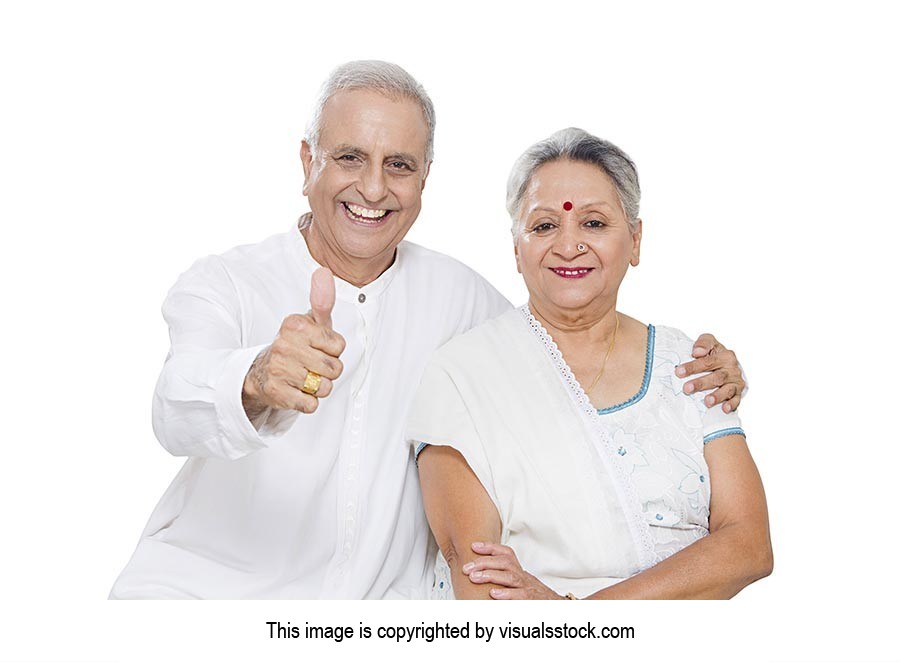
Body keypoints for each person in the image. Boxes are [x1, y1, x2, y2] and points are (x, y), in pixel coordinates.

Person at [110, 62, 746, 599]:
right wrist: (253, 379)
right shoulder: (224, 283)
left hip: (380, 621)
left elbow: (571, 330)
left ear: (425, 180)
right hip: (202, 597)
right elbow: (173, 407)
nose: (374, 188)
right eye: (350, 158)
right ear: (307, 162)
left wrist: (704, 365)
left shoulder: (463, 299)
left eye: (400, 165)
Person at [409, 128, 771, 599]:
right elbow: (478, 581)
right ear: (516, 249)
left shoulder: (689, 365)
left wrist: (578, 617)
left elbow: (749, 546)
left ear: (636, 241)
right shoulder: (462, 376)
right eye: (544, 226)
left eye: (595, 223)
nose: (568, 245)